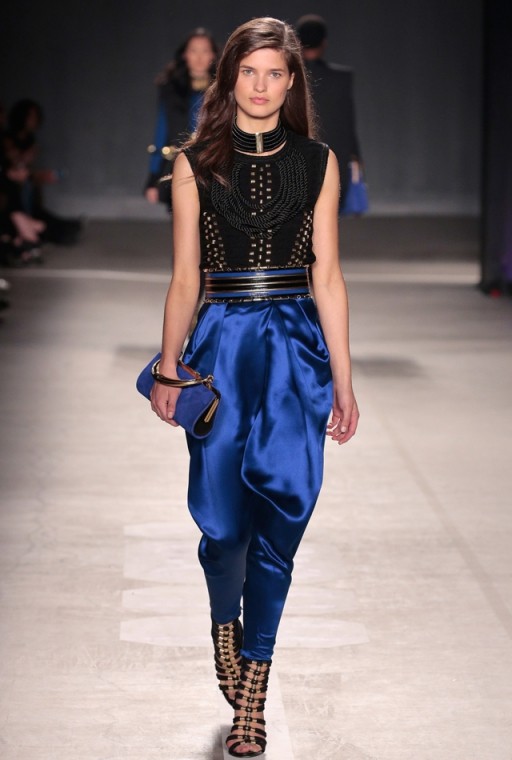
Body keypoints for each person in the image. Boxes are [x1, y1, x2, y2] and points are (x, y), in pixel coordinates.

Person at [149, 17, 359, 757]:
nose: (262, 85)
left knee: (283, 516)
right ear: (229, 77)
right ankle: (224, 628)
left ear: (292, 81)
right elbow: (185, 278)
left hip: (296, 351)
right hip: (223, 349)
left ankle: (255, 689)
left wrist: (344, 380)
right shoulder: (194, 162)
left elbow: (328, 276)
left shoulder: (318, 161)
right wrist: (169, 367)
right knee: (224, 528)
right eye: (250, 71)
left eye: (276, 73)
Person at [144, 28, 218, 207]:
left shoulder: (225, 89)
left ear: (213, 55)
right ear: (185, 55)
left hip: (215, 166)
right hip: (178, 165)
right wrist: (153, 177)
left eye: (205, 50)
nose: (199, 57)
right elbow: (162, 131)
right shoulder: (171, 91)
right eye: (193, 50)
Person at [295, 14, 362, 208]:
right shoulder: (341, 79)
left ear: (297, 42)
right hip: (334, 158)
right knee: (330, 214)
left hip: (296, 158)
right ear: (324, 43)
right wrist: (356, 155)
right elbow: (347, 122)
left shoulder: (287, 77)